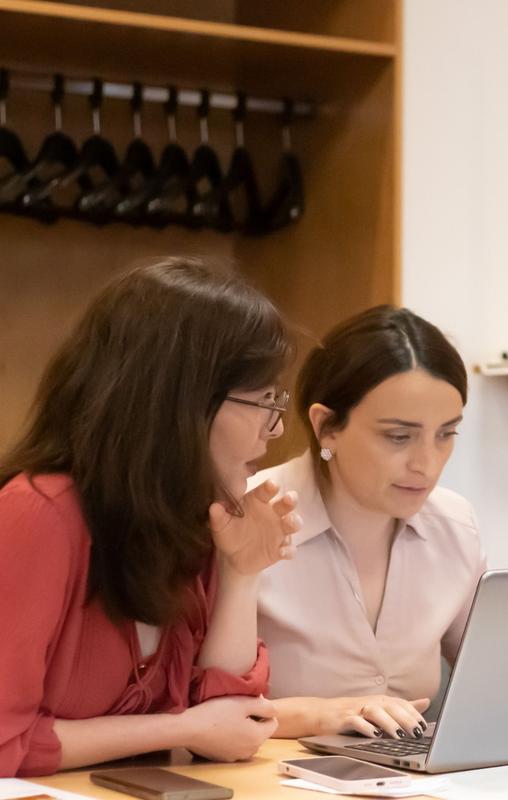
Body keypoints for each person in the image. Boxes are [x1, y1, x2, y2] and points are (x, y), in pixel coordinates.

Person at [0, 257, 301, 777]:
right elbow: (6, 742)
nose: (273, 430)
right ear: (177, 403)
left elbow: (233, 725)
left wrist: (240, 573)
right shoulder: (40, 514)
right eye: (262, 400)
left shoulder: (192, 513)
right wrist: (179, 729)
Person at [250, 305, 486, 739]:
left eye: (446, 434)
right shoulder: (249, 516)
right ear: (327, 428)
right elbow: (198, 708)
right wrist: (320, 715)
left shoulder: (454, 525)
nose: (427, 465)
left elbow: (493, 678)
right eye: (399, 437)